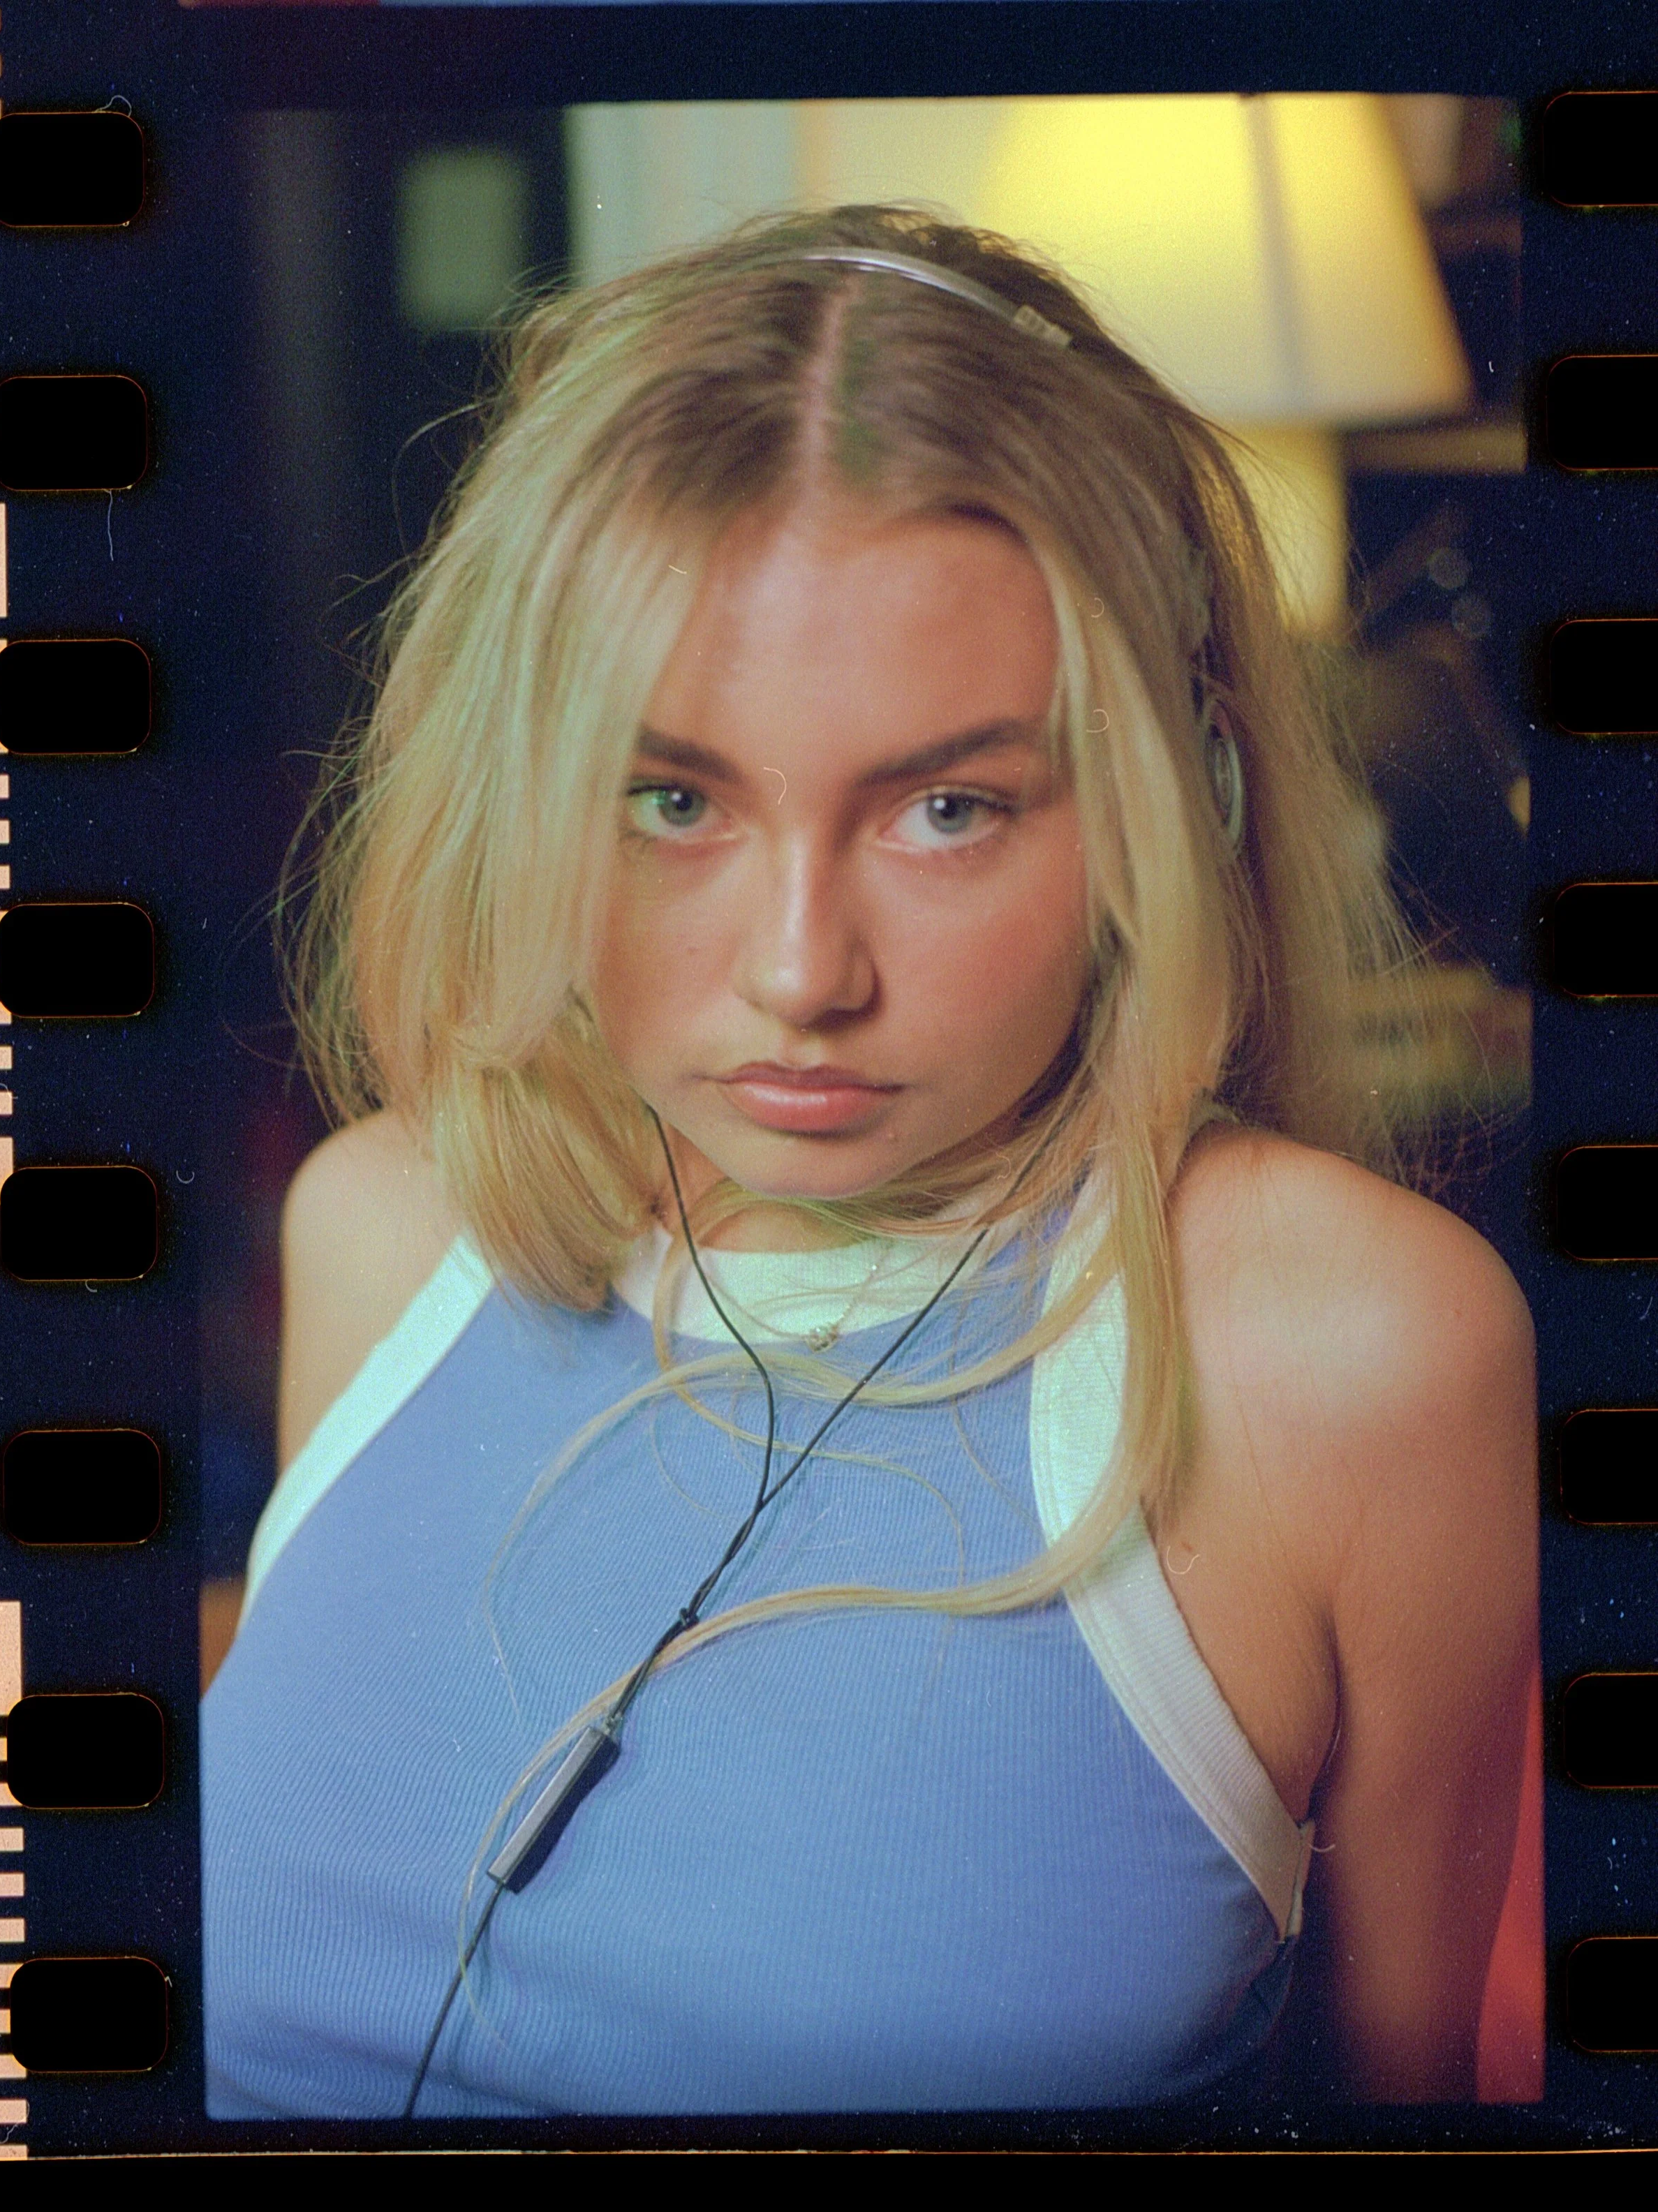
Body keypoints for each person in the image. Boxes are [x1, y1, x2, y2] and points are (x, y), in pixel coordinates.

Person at [201, 207, 1538, 2119]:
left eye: (947, 808)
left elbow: (1405, 2102)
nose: (800, 974)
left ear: (1177, 796)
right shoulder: (392, 1222)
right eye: (671, 798)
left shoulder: (1349, 1349)